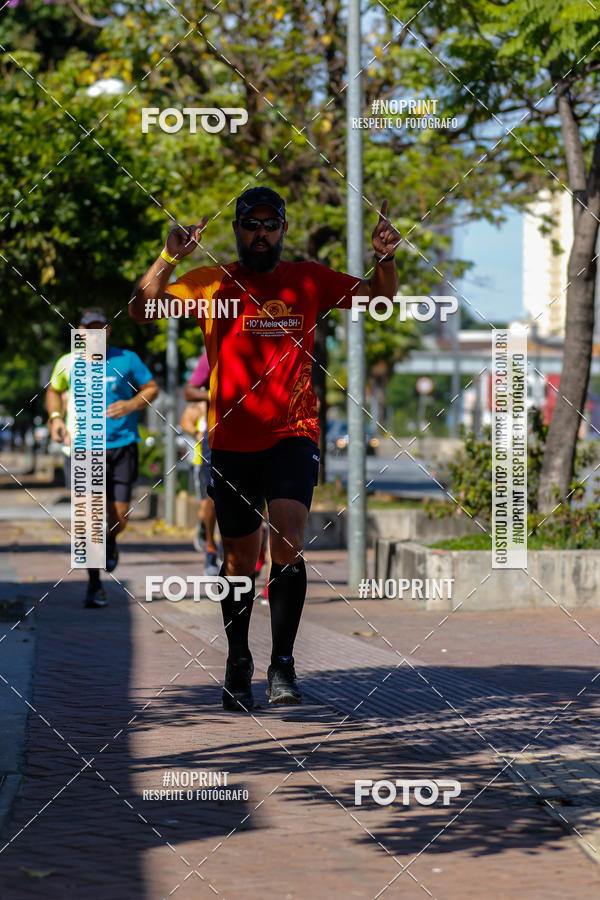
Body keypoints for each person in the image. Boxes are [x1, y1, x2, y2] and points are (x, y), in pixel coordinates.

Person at [130, 186, 399, 710]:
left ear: (283, 228)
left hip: (292, 433)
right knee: (238, 562)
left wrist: (386, 259)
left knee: (291, 539)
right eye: (250, 225)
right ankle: (237, 659)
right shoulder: (212, 282)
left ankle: (282, 664)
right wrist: (168, 257)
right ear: (236, 229)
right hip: (231, 440)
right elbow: (142, 309)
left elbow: (380, 298)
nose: (261, 234)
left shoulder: (308, 278)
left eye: (269, 224)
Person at [46, 307, 159, 608]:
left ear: (108, 331)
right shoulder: (68, 363)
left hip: (122, 446)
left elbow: (151, 388)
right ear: (80, 332)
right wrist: (56, 418)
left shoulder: (127, 359)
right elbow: (54, 391)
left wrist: (132, 404)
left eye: (99, 328)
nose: (93, 334)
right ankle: (94, 585)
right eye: (87, 329)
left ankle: (111, 540)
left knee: (118, 519)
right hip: (83, 448)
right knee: (88, 518)